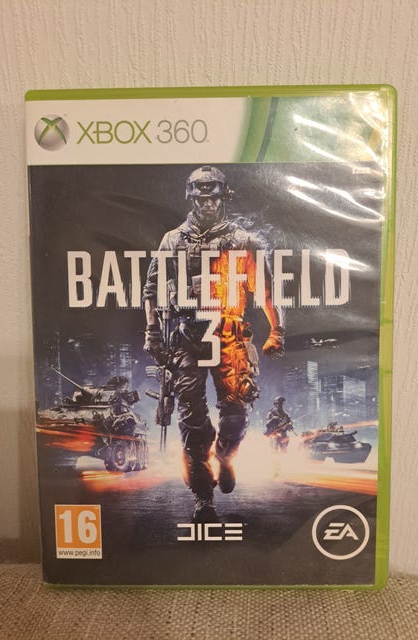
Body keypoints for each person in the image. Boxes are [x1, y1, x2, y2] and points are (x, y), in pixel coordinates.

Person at [143, 166, 285, 522]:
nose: (207, 204)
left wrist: (277, 330)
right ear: (191, 198)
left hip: (229, 336)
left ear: (224, 198)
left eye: (213, 197)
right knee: (192, 422)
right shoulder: (172, 241)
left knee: (236, 415)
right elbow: (151, 290)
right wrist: (151, 332)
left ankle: (224, 455)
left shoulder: (243, 241)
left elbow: (267, 291)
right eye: (200, 197)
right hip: (186, 338)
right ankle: (203, 497)